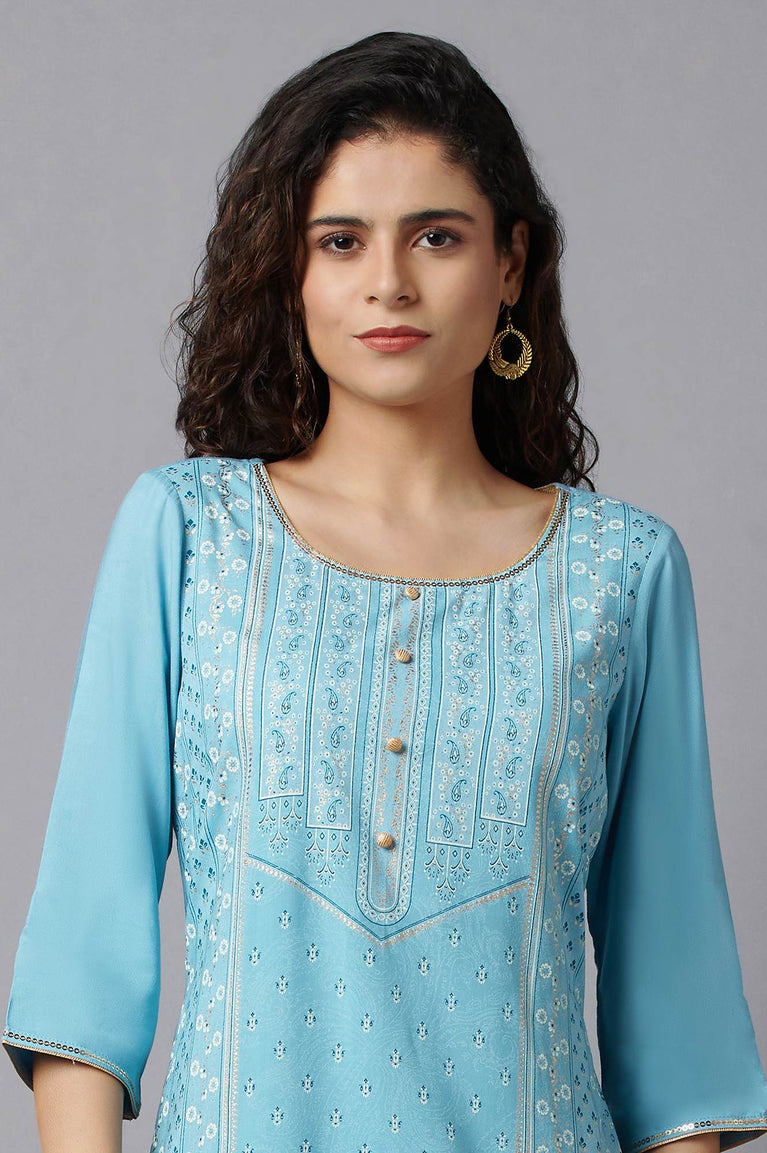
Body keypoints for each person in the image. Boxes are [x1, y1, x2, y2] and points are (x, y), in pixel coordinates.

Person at [3, 28, 767, 1153]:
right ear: (292, 270)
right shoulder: (189, 535)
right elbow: (82, 957)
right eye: (341, 240)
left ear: (510, 263)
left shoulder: (618, 572)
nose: (389, 282)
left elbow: (678, 1024)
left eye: (436, 236)